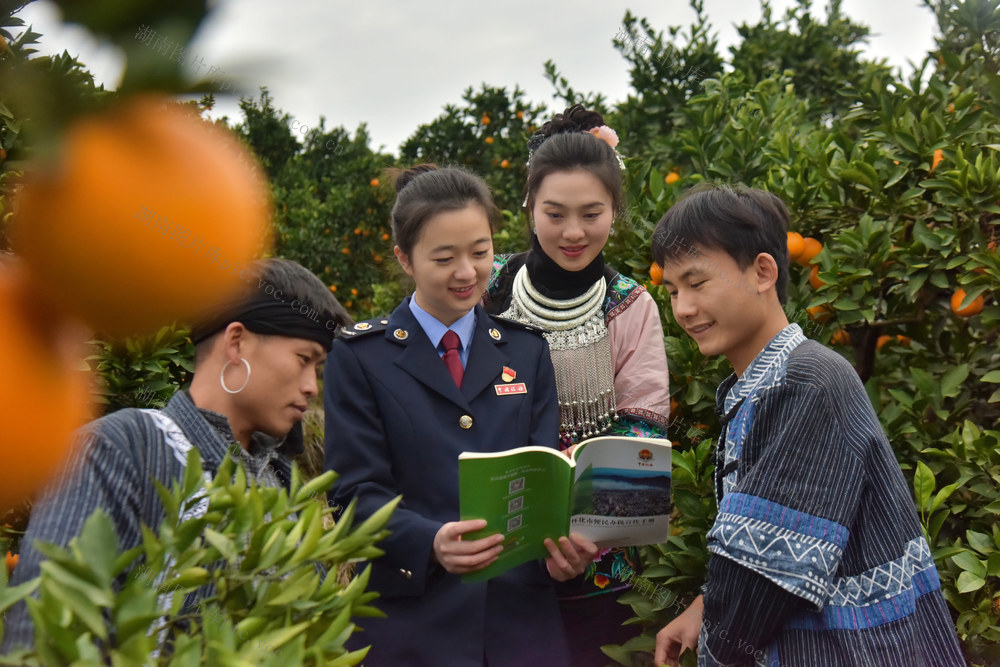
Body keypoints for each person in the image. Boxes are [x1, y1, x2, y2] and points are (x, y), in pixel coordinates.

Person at [650, 184, 965, 666]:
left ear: (762, 272)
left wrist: (721, 642)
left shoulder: (808, 381)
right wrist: (705, 603)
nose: (683, 308)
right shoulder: (764, 383)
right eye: (672, 291)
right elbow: (757, 548)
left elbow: (764, 575)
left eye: (697, 283)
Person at [323, 164, 599, 666]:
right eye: (444, 258)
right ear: (404, 259)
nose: (468, 273)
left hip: (521, 628)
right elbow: (352, 497)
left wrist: (564, 553)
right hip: (411, 629)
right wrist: (428, 542)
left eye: (480, 252)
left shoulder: (526, 352)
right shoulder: (362, 357)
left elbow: (543, 481)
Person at [1, 258, 351, 653]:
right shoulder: (124, 448)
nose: (310, 387)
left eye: (318, 369)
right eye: (304, 360)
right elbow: (46, 636)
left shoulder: (284, 484)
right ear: (236, 342)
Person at [483, 105, 671, 664]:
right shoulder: (486, 289)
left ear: (615, 210)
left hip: (600, 561)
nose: (572, 233)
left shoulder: (630, 304)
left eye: (592, 213)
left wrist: (584, 538)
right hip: (498, 548)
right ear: (529, 207)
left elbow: (642, 432)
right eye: (554, 213)